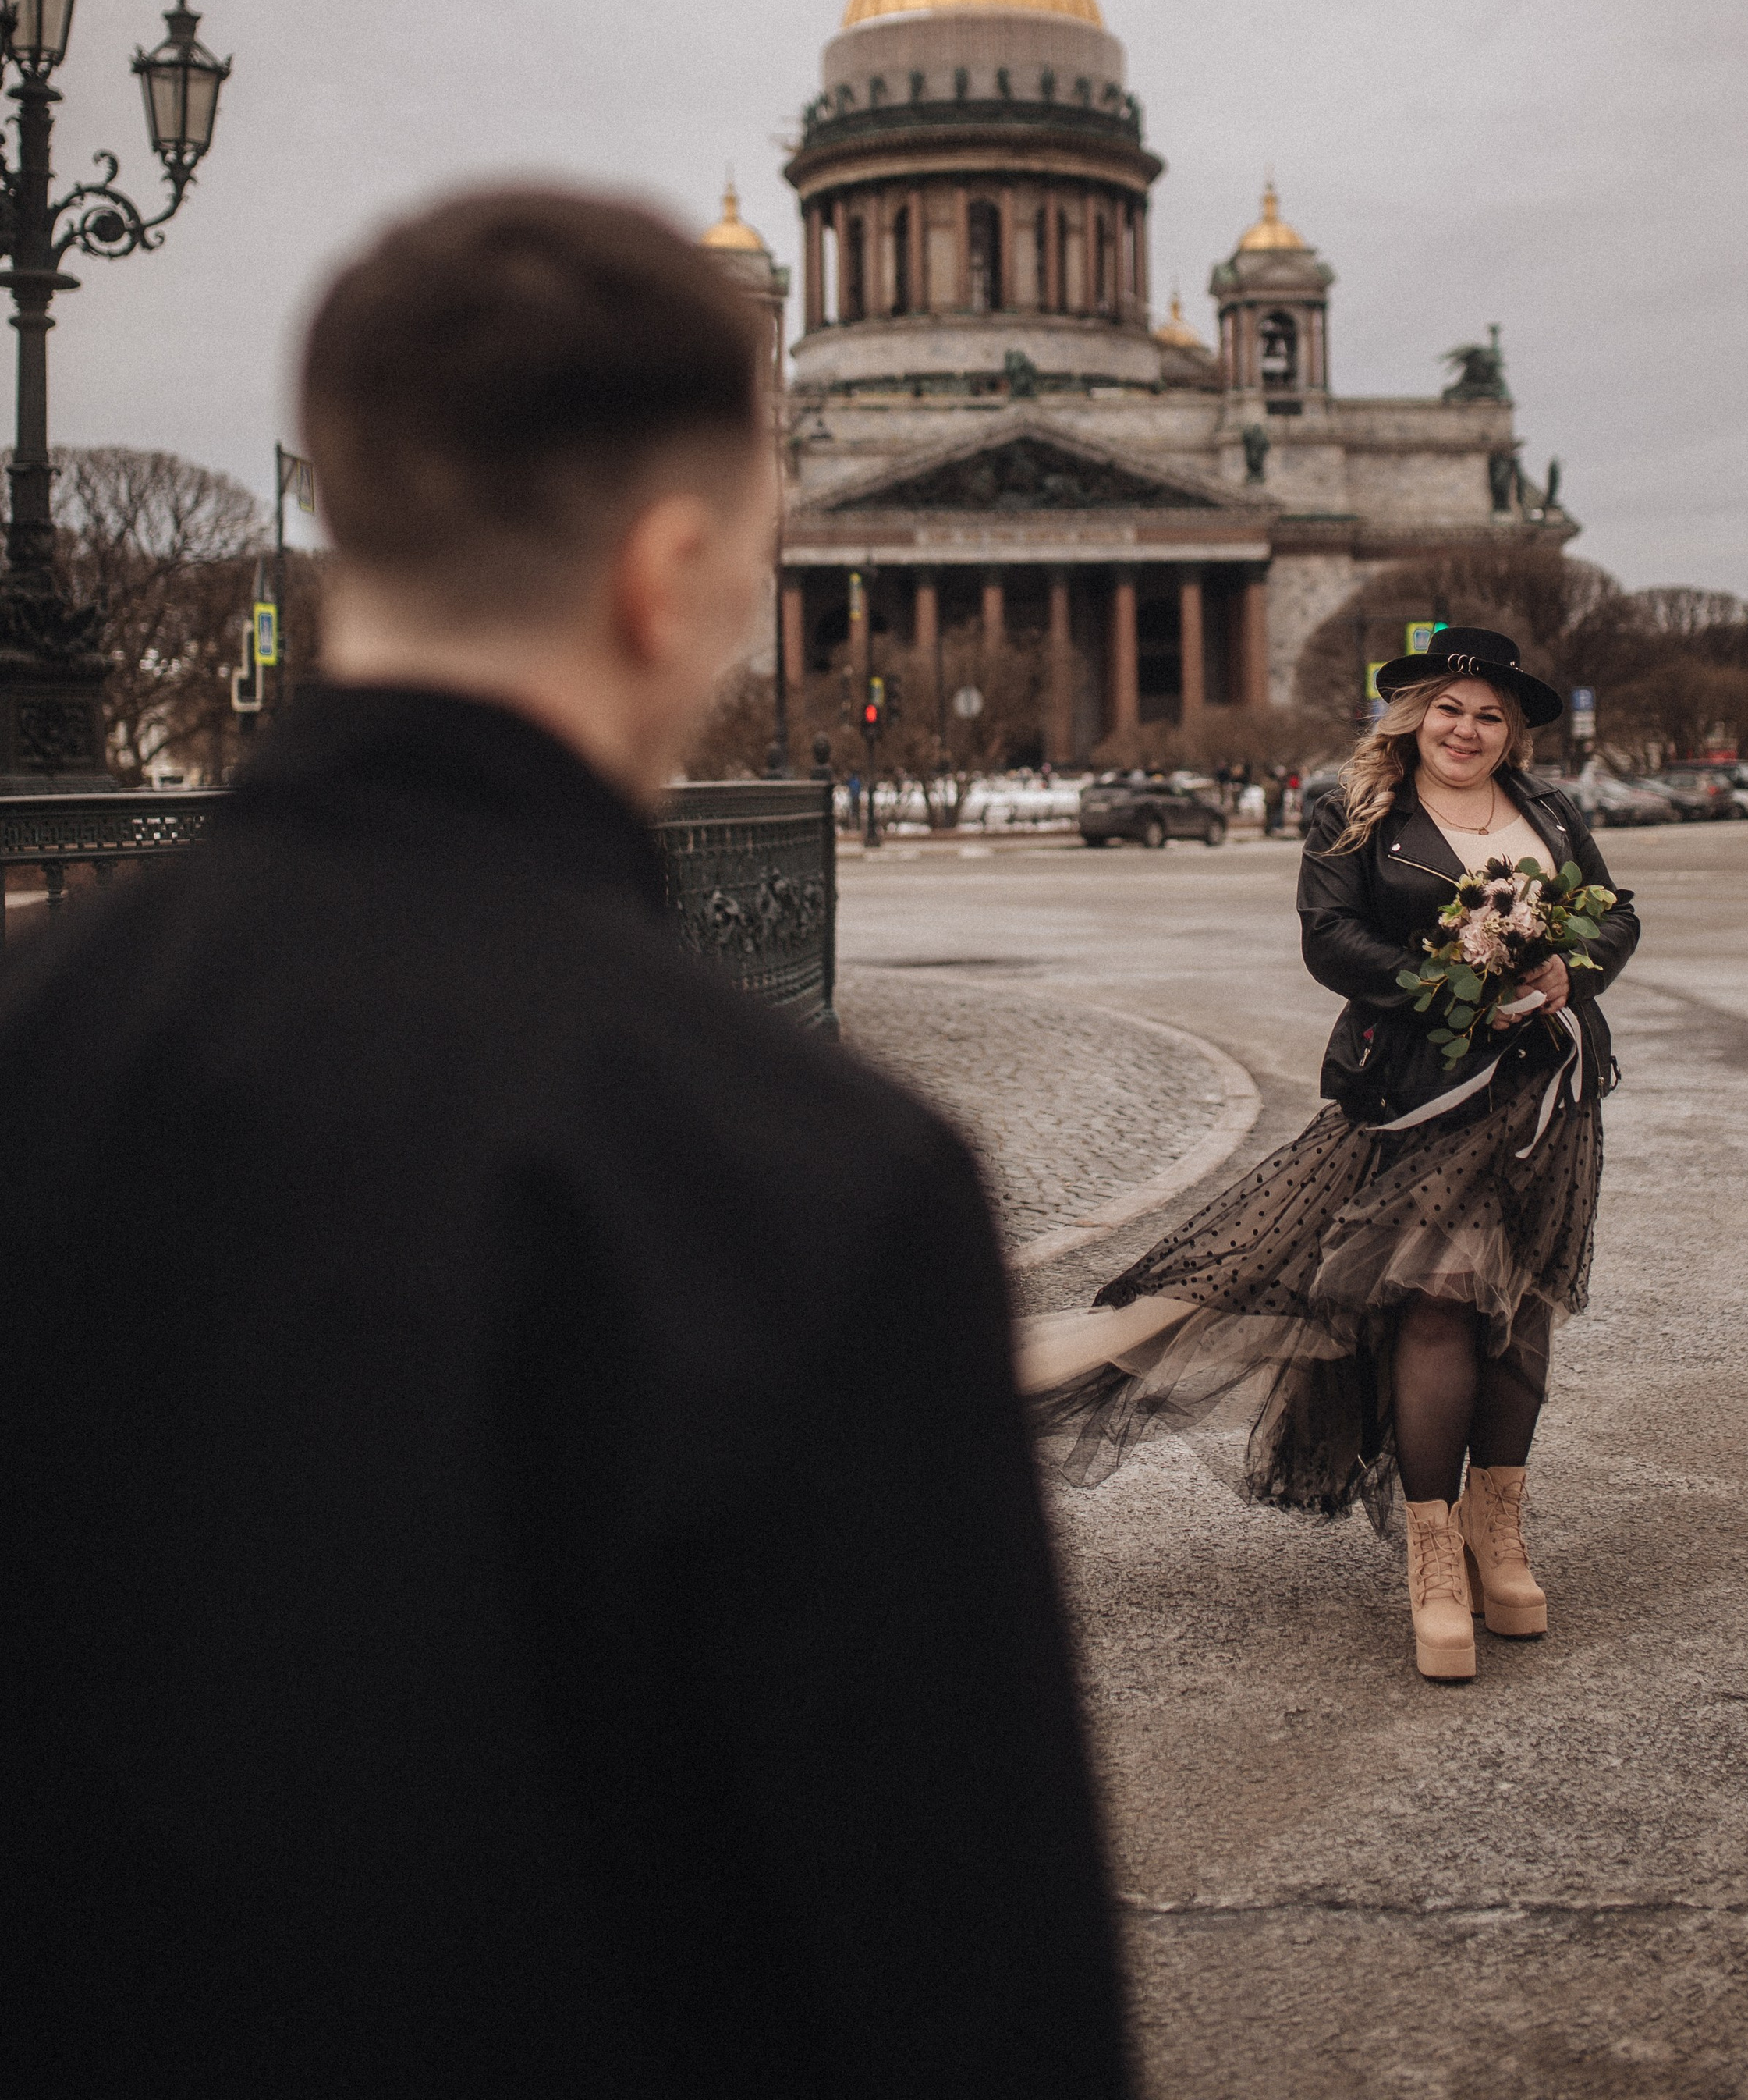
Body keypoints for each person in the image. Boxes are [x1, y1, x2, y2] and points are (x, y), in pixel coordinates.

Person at [0, 189, 1129, 2098]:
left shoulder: (37, 1043)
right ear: (668, 567)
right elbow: (966, 1985)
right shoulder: (818, 1181)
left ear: (354, 523)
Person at [1022, 629, 1638, 1686]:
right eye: (1450, 708)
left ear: (1511, 730)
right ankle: (1434, 1555)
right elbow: (1331, 940)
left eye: (1490, 715)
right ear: (1413, 713)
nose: (1468, 730)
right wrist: (1453, 983)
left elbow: (1614, 917)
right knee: (1441, 1303)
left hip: (1544, 1093)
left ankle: (1503, 1533)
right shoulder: (1355, 810)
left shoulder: (1551, 811)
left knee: (1521, 1309)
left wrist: (1566, 977)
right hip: (1415, 1093)